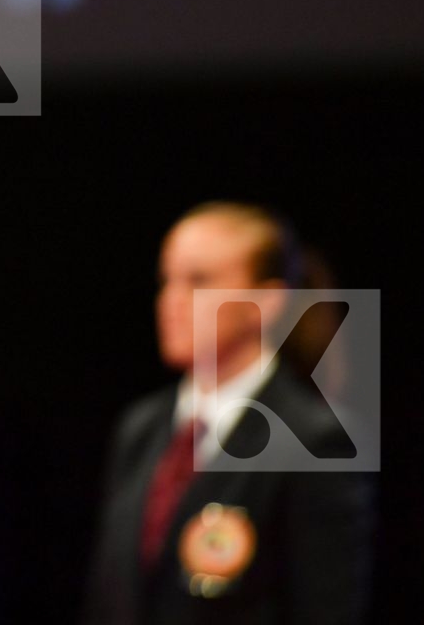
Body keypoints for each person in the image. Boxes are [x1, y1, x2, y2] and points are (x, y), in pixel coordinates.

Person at [82, 202, 375, 624]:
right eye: (166, 281)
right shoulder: (141, 428)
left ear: (268, 301)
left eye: (199, 280)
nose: (172, 301)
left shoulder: (313, 440)